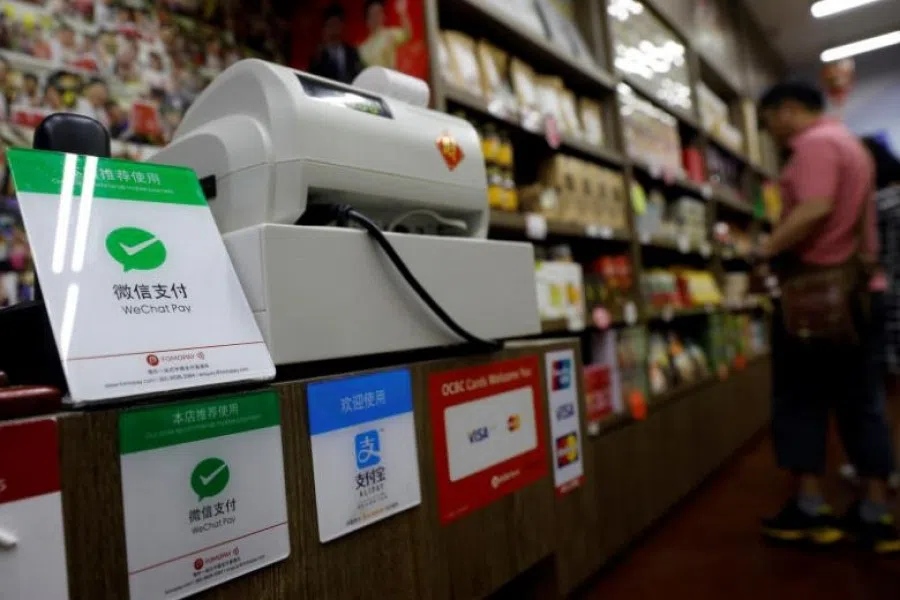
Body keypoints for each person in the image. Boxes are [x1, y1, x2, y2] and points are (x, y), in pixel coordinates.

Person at [757, 81, 900, 554]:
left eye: (769, 120)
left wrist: (766, 249)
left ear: (788, 110)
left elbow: (814, 208)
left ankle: (810, 507)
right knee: (863, 400)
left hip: (817, 297)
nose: (770, 131)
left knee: (800, 398)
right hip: (860, 291)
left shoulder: (814, 145)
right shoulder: (850, 144)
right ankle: (875, 511)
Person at [308, 3, 363, 84]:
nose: (334, 31)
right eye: (330, 25)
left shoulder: (352, 52)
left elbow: (359, 75)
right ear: (325, 29)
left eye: (336, 25)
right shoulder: (319, 56)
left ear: (342, 27)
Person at [358, 0, 410, 70]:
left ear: (383, 16)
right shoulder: (362, 48)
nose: (376, 18)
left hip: (389, 75)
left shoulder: (390, 34)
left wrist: (402, 12)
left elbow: (407, 34)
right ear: (367, 19)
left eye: (379, 13)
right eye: (373, 14)